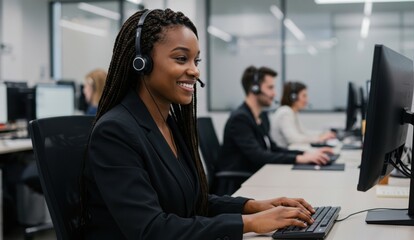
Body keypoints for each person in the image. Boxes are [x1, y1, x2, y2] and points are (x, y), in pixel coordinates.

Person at [82, 9, 316, 239]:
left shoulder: (168, 124)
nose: (195, 70)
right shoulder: (115, 132)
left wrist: (255, 206)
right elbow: (151, 229)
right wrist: (250, 223)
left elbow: (194, 202)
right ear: (141, 62)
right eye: (181, 58)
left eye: (196, 60)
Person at [218, 67, 332, 183]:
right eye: (270, 88)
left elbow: (272, 148)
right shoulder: (240, 119)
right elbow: (258, 155)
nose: (274, 93)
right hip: (240, 182)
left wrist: (305, 154)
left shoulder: (262, 116)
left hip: (259, 175)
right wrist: (299, 158)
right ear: (255, 88)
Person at [271, 81, 336, 148]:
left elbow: (303, 132)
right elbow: (294, 139)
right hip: (284, 153)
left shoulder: (292, 112)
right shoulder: (285, 112)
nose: (307, 100)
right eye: (304, 96)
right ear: (293, 97)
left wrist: (322, 134)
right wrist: (319, 138)